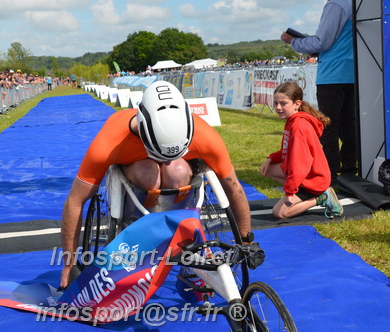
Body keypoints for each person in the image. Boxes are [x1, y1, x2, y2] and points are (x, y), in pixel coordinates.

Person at [60, 81, 258, 288]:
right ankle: (136, 228)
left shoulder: (206, 136)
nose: (163, 162)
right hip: (138, 172)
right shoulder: (110, 141)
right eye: (158, 154)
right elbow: (75, 200)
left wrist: (246, 241)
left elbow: (233, 189)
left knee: (177, 170)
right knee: (149, 172)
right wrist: (69, 265)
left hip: (180, 174)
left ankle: (182, 237)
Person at [280, 0, 357, 184]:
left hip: (332, 75)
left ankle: (330, 173)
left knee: (328, 127)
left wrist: (294, 41)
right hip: (353, 73)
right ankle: (349, 170)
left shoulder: (336, 4)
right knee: (350, 127)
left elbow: (322, 42)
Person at [259, 82, 343, 219]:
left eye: (283, 103)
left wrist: (289, 193)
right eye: (275, 103)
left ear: (297, 104)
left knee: (279, 213)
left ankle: (321, 197)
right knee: (267, 169)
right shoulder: (292, 121)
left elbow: (300, 165)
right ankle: (302, 193)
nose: (278, 108)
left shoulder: (299, 127)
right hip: (306, 174)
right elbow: (286, 150)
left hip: (312, 179)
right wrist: (270, 159)